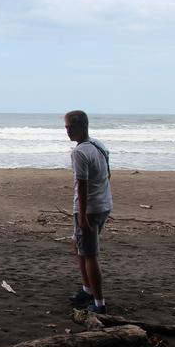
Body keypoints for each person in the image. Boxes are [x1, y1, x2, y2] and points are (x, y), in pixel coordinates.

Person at [64, 110, 113, 314]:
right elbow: (108, 174)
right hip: (103, 204)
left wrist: (83, 216)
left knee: (90, 254)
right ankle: (87, 289)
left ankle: (99, 302)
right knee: (78, 245)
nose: (68, 132)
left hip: (90, 209)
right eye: (66, 128)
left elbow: (82, 186)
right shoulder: (99, 146)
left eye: (71, 128)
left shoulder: (80, 152)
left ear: (83, 127)